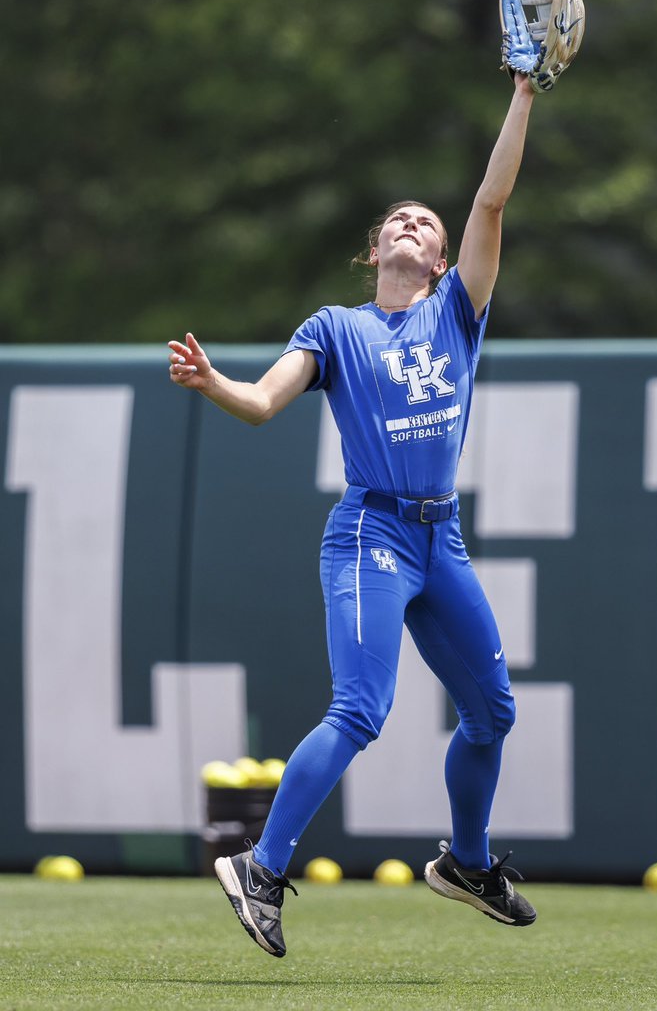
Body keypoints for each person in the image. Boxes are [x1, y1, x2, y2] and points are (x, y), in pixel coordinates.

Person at [168, 72, 538, 958]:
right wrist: (213, 382)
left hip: (440, 538)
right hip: (373, 531)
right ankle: (261, 867)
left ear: (443, 261)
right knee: (362, 709)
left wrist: (524, 92)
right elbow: (263, 403)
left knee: (493, 713)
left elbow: (491, 200)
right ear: (375, 253)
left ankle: (468, 864)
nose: (410, 223)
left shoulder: (458, 311)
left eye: (426, 223)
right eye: (397, 220)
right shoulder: (336, 327)